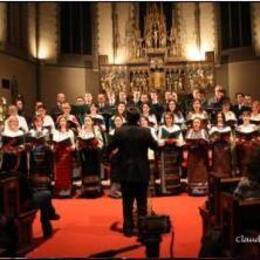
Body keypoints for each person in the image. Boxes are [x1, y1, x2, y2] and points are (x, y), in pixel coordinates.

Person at [106, 107, 158, 236]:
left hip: (125, 171)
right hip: (141, 171)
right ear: (138, 119)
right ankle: (142, 227)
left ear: (126, 118)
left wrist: (109, 161)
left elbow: (108, 149)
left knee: (127, 202)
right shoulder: (145, 132)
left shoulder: (119, 132)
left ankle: (128, 228)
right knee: (142, 203)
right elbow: (155, 147)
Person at [158, 112, 184, 194]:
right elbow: (158, 141)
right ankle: (166, 190)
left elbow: (181, 140)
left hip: (174, 150)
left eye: (169, 118)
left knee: (174, 169)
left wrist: (175, 140)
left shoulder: (176, 127)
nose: (168, 120)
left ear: (172, 119)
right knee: (166, 170)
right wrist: (165, 140)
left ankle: (175, 189)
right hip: (165, 151)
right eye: (166, 118)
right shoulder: (162, 128)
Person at [77, 115, 103, 196]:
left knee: (95, 172)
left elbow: (101, 142)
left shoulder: (96, 130)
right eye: (85, 121)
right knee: (86, 172)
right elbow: (77, 143)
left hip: (94, 155)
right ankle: (86, 190)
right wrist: (80, 146)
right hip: (85, 155)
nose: (87, 122)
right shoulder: (81, 131)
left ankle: (96, 190)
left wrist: (96, 146)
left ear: (92, 122)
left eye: (88, 120)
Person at [52, 115, 75, 197]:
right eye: (61, 121)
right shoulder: (56, 132)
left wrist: (72, 147)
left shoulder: (70, 132)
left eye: (64, 121)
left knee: (67, 172)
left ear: (66, 122)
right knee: (59, 172)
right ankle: (59, 191)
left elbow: (73, 144)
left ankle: (67, 191)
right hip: (58, 154)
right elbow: (54, 143)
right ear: (59, 122)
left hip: (67, 154)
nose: (62, 122)